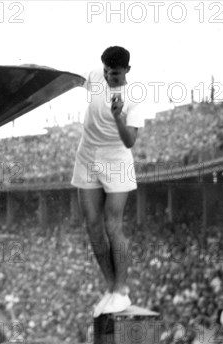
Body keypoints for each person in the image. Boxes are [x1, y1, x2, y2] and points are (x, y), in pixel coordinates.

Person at [71, 46, 146, 317]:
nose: (107, 77)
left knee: (112, 225)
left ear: (127, 70)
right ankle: (110, 287)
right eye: (105, 71)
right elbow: (70, 78)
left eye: (113, 74)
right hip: (88, 155)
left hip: (116, 160)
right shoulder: (95, 77)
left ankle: (122, 289)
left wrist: (118, 116)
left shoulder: (134, 96)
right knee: (92, 225)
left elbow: (130, 141)